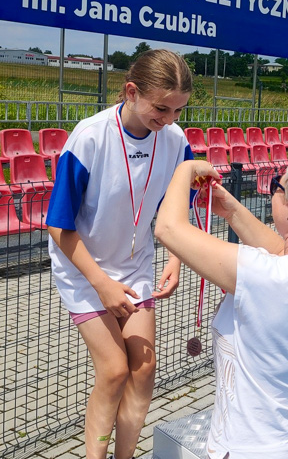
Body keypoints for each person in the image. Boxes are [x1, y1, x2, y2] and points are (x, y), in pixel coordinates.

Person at [154, 149, 288, 459]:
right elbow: (286, 249)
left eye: (277, 186)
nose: (273, 192)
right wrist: (232, 210)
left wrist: (185, 167)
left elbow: (168, 228)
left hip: (255, 448)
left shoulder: (266, 276)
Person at [45, 49, 193, 459]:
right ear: (131, 91)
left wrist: (176, 258)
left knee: (144, 370)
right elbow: (58, 225)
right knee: (113, 371)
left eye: (179, 110)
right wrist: (101, 283)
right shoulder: (90, 137)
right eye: (160, 108)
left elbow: (177, 208)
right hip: (84, 269)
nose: (168, 120)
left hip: (134, 264)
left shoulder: (176, 140)